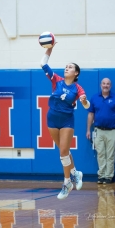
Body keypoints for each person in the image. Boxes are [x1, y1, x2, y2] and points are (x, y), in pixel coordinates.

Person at [40, 46, 90, 200]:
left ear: (76, 73)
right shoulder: (56, 80)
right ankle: (75, 173)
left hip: (67, 120)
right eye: (66, 66)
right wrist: (50, 48)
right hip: (52, 118)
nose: (67, 68)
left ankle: (67, 182)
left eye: (70, 67)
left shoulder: (78, 88)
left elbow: (87, 106)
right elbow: (43, 64)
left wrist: (84, 101)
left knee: (63, 151)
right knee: (64, 151)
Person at [86, 78, 115, 184]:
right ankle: (101, 175)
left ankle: (109, 176)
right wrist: (88, 130)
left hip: (112, 131)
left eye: (108, 84)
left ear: (110, 86)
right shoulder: (94, 98)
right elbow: (90, 114)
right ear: (100, 85)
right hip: (98, 130)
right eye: (104, 83)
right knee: (100, 154)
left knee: (110, 154)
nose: (105, 85)